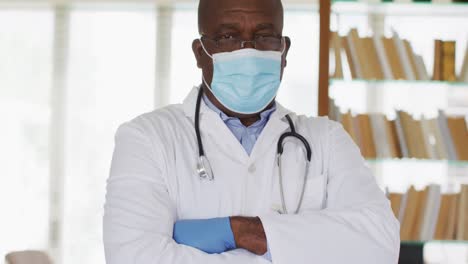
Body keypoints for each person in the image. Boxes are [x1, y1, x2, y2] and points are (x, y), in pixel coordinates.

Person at [103, 0, 400, 263]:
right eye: (228, 36)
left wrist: (239, 231)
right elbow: (133, 256)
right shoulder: (146, 138)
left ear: (284, 51)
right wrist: (297, 248)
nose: (248, 51)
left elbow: (381, 246)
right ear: (200, 52)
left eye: (264, 36)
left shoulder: (326, 139)